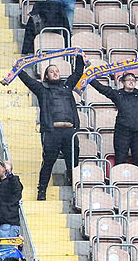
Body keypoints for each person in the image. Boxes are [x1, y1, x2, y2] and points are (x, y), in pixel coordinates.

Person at [14, 55, 86, 200]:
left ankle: (74, 189)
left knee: (73, 162)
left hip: (69, 132)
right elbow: (28, 81)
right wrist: (17, 68)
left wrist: (79, 55)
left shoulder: (67, 85)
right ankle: (41, 192)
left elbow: (78, 72)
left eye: (57, 71)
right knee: (48, 162)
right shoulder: (42, 89)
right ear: (46, 76)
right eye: (51, 71)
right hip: (52, 132)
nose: (55, 73)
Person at [89, 65, 138, 173]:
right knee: (120, 160)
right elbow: (102, 89)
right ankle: (118, 186)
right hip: (122, 133)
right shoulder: (118, 94)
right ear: (123, 82)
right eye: (128, 80)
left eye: (133, 80)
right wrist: (90, 77)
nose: (131, 82)